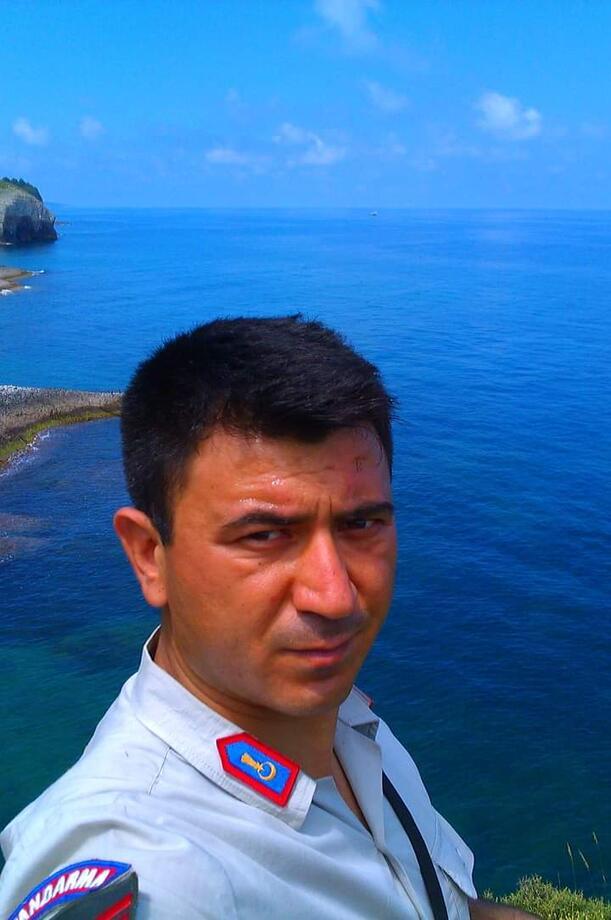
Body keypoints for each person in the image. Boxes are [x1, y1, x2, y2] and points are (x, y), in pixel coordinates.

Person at [0, 316, 535, 919]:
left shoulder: (344, 721)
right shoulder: (155, 873)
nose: (335, 597)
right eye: (264, 535)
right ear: (150, 556)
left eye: (361, 523)